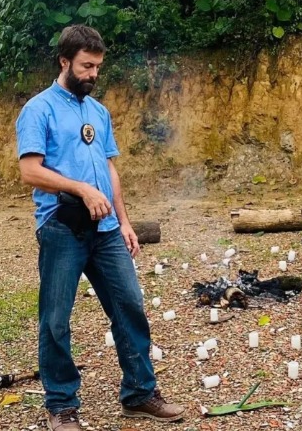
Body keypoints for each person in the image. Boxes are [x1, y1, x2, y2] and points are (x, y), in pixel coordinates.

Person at [16, 25, 185, 430]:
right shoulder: (38, 109)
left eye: (98, 67)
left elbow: (109, 167)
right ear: (64, 62)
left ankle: (140, 394)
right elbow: (29, 171)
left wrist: (125, 220)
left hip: (107, 230)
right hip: (61, 228)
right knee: (55, 320)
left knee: (129, 307)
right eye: (86, 66)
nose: (93, 74)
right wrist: (80, 188)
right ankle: (61, 404)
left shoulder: (99, 111)